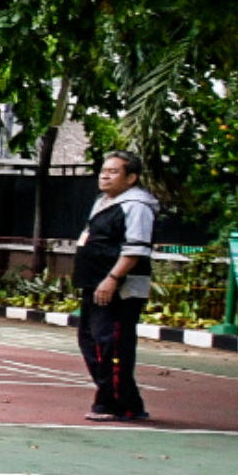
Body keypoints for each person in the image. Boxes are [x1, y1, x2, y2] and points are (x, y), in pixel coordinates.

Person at [75, 150, 158, 423]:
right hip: (93, 284)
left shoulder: (136, 205)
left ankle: (115, 403)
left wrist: (112, 279)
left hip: (119, 289)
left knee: (111, 345)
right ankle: (125, 399)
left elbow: (136, 250)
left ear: (131, 177)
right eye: (103, 170)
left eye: (113, 172)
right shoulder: (103, 202)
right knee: (90, 341)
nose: (105, 176)